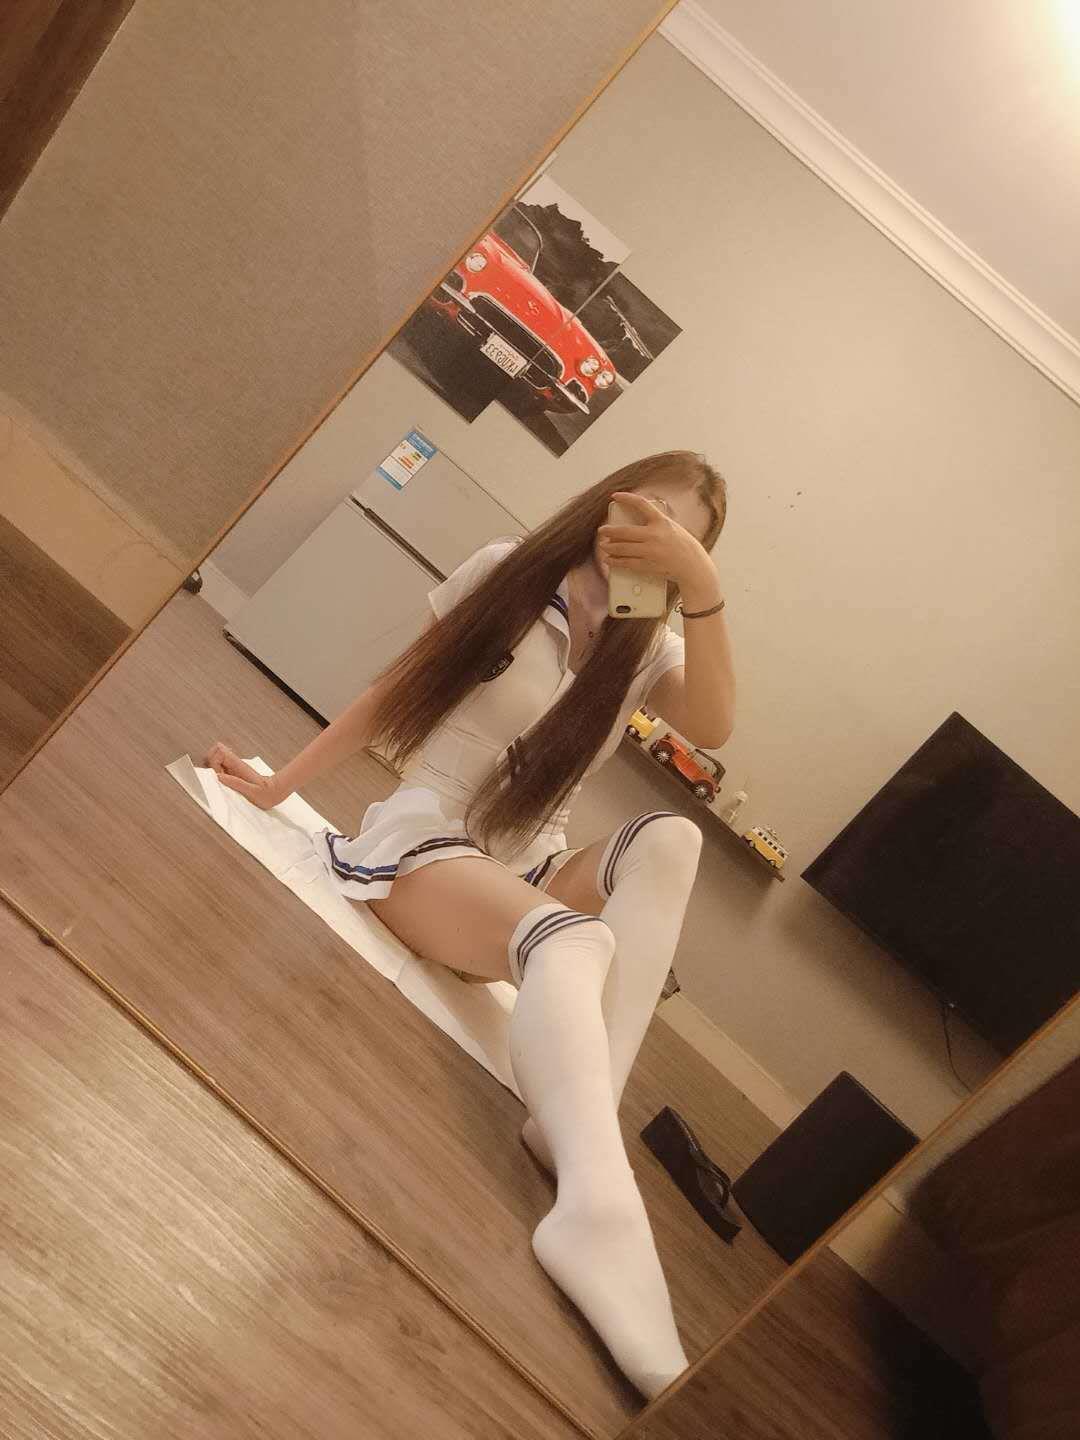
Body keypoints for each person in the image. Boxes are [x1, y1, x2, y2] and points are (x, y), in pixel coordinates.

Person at [205, 450, 735, 1399]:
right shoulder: (508, 570)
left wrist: (701, 592)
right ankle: (596, 1208)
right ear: (610, 498)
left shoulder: (644, 643)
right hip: (427, 845)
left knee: (673, 841)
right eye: (647, 510)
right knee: (577, 939)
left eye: (679, 537)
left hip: (531, 863)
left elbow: (717, 725)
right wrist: (281, 784)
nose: (650, 537)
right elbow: (394, 689)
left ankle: (572, 1136)